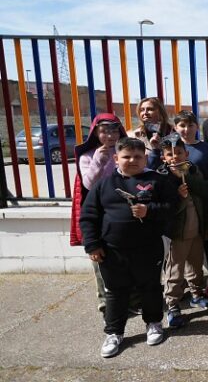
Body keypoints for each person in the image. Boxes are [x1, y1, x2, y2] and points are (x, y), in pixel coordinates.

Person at [79, 137, 178, 358]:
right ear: (116, 158)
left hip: (148, 248)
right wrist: (92, 245)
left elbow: (172, 207)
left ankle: (154, 323)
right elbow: (88, 216)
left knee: (150, 287)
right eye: (126, 156)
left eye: (138, 156)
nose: (132, 160)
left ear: (145, 158)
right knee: (116, 292)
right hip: (112, 250)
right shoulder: (104, 184)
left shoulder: (158, 181)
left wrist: (149, 211)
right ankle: (114, 332)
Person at [158, 135, 208, 329]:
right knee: (175, 269)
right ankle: (172, 304)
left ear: (186, 154)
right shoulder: (162, 176)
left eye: (179, 152)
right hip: (177, 233)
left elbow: (204, 195)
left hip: (196, 228)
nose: (175, 157)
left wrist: (205, 225)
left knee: (196, 266)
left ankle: (196, 295)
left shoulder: (193, 170)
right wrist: (178, 196)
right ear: (163, 157)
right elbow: (162, 206)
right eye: (170, 154)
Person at [70, 114, 128, 313]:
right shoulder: (88, 156)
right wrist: (98, 161)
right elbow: (88, 184)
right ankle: (105, 300)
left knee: (124, 258)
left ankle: (128, 299)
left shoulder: (125, 152)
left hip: (121, 212)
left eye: (114, 130)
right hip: (100, 213)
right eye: (104, 131)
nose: (110, 135)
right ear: (95, 133)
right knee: (100, 259)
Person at [170, 110, 208, 299]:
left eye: (190, 125)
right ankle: (176, 290)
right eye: (182, 125)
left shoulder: (206, 149)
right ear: (175, 127)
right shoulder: (172, 148)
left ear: (196, 127)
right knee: (178, 253)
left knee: (205, 247)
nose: (186, 129)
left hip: (202, 204)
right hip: (178, 209)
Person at [130, 97, 173, 166]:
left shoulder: (174, 132)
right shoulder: (134, 136)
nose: (145, 113)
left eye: (150, 109)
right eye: (142, 110)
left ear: (161, 112)